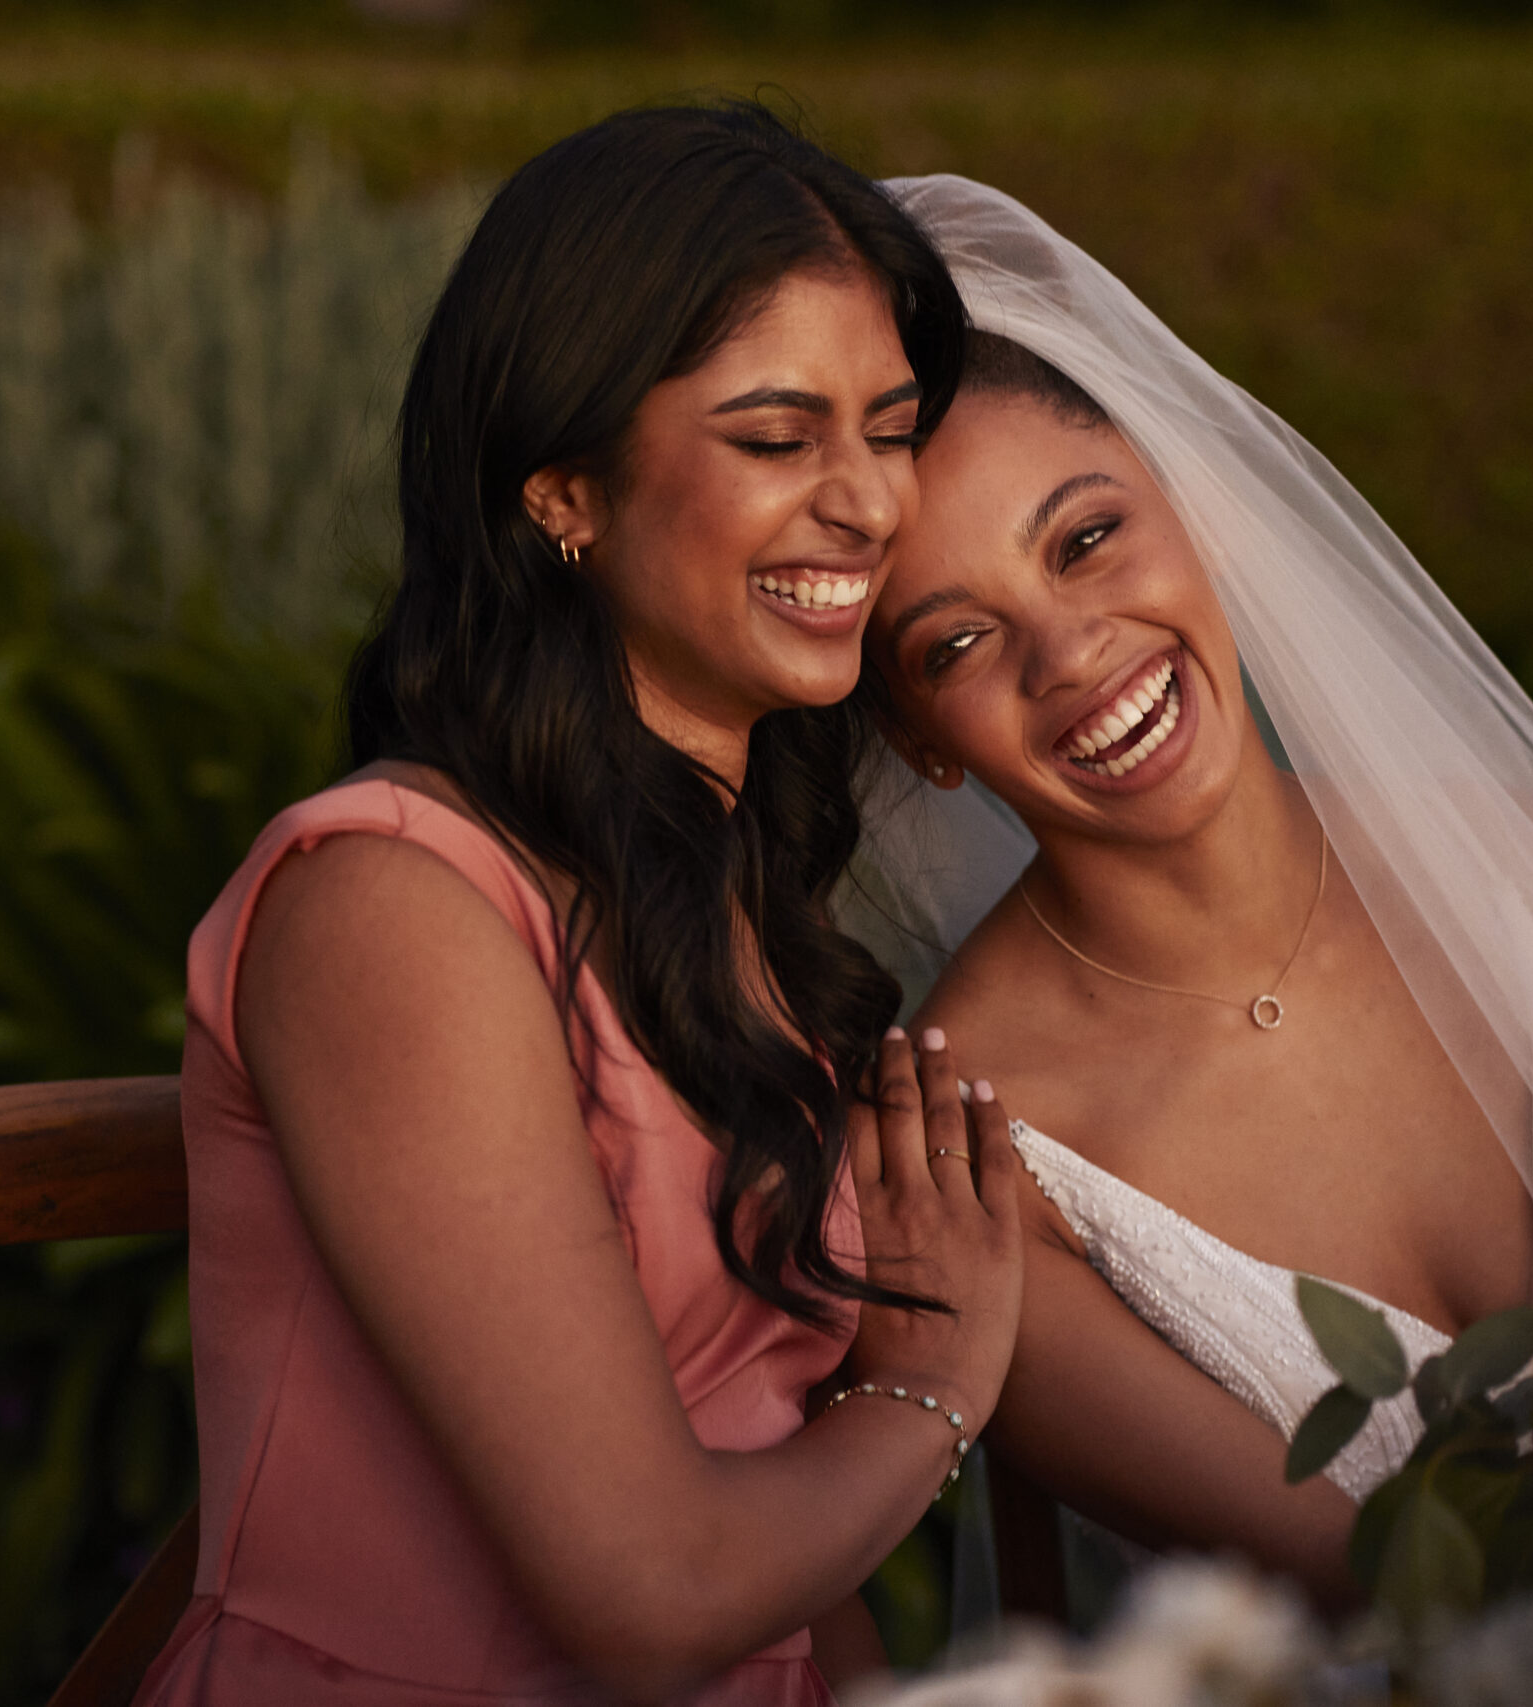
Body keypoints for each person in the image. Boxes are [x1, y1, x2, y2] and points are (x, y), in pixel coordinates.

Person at [846, 174, 1533, 1602]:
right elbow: (1399, 1603)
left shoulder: (1510, 855)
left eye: (1088, 538)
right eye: (956, 645)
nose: (1071, 654)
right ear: (917, 744)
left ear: (1201, 511)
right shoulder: (973, 1148)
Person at [134, 110, 1025, 1706]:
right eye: (776, 438)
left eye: (889, 429)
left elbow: (765, 1517)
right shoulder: (396, 908)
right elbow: (652, 1596)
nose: (872, 503)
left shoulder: (733, 891)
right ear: (564, 493)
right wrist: (936, 1389)